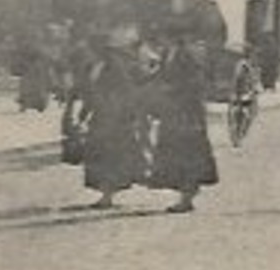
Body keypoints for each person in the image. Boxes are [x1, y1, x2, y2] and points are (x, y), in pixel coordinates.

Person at [147, 34, 219, 214]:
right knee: (176, 153)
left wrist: (172, 89)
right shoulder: (168, 55)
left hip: (187, 112)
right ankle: (185, 196)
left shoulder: (186, 56)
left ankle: (187, 197)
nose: (159, 44)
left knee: (188, 153)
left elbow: (195, 83)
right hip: (172, 112)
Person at [80, 27, 149, 209]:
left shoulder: (114, 66)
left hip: (114, 119)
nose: (88, 51)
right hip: (99, 117)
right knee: (98, 155)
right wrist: (83, 114)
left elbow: (126, 91)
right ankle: (105, 194)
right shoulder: (91, 66)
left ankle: (107, 196)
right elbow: (88, 92)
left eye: (90, 48)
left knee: (110, 156)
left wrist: (117, 110)